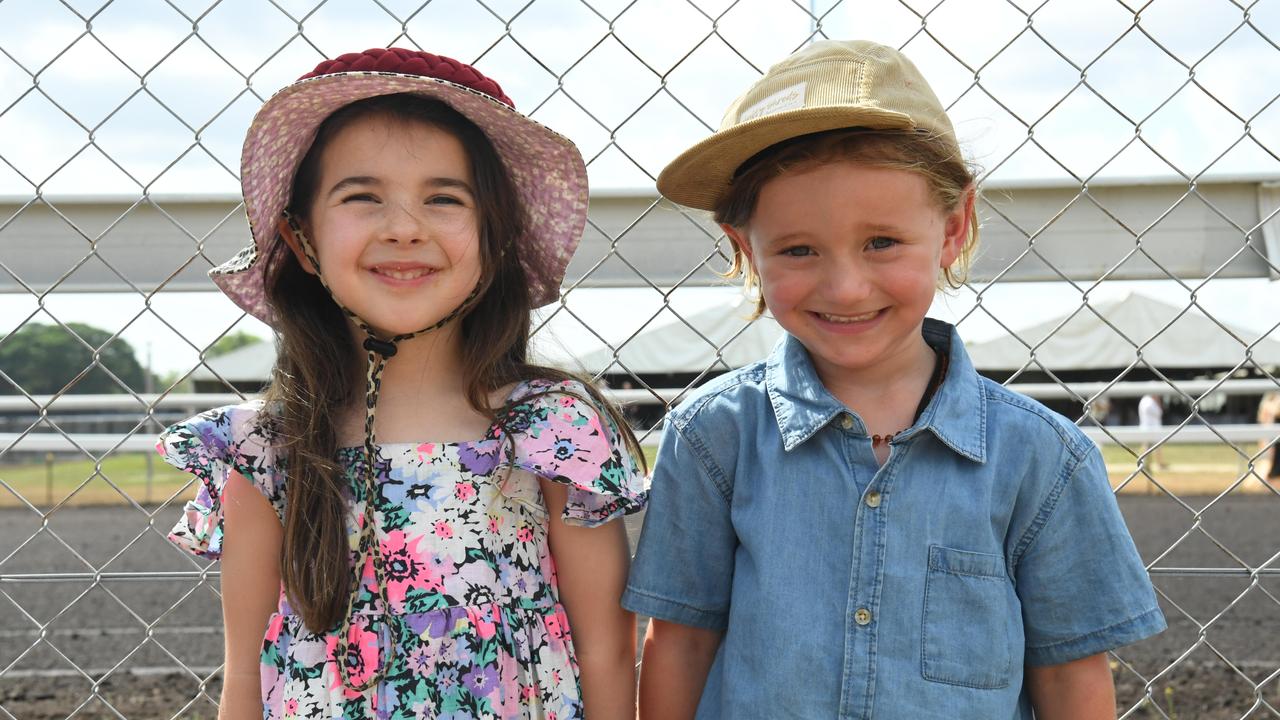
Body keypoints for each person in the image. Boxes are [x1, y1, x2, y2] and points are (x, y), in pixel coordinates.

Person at [623, 40, 1165, 719]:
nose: (846, 287)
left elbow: (1070, 677)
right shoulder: (712, 438)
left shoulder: (1044, 459)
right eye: (797, 250)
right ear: (745, 249)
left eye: (881, 242)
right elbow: (682, 640)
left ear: (952, 227)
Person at [158, 48, 646, 719]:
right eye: (363, 198)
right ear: (300, 240)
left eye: (444, 199)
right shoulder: (267, 449)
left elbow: (608, 654)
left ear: (495, 237)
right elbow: (245, 676)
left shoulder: (550, 429)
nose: (405, 228)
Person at [1138, 393, 1168, 470]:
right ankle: (1145, 464)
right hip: (1148, 427)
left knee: (1155, 447)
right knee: (1146, 447)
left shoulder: (1147, 400)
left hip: (1152, 427)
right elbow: (1159, 412)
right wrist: (1157, 401)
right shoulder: (1148, 401)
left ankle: (1158, 463)